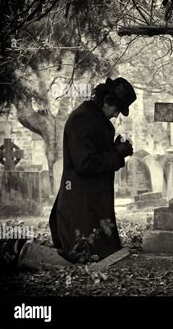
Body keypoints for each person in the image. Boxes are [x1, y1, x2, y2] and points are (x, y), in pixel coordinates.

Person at [48, 77, 136, 263]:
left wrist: (116, 149)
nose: (116, 114)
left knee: (108, 255)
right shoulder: (82, 119)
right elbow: (85, 163)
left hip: (96, 206)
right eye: (116, 109)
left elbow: (98, 153)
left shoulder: (98, 119)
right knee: (89, 256)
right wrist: (116, 154)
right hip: (81, 209)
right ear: (106, 101)